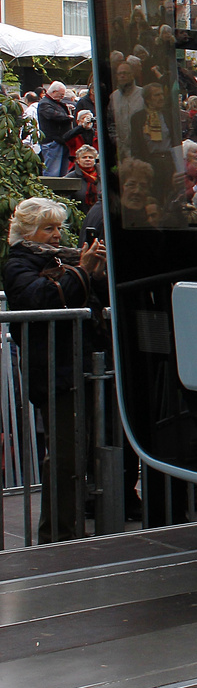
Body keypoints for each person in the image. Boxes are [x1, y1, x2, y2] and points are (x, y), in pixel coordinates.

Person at [2, 198, 108, 541]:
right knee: (65, 456)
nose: (55, 235)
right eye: (48, 228)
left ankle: (69, 529)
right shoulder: (18, 263)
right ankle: (58, 535)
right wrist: (83, 273)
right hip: (53, 369)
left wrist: (95, 273)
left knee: (82, 452)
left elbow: (88, 301)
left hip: (78, 363)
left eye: (58, 227)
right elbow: (41, 299)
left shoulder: (64, 258)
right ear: (27, 231)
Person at [35, 82, 74, 177]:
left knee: (63, 173)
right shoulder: (44, 103)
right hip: (52, 142)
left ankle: (60, 191)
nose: (62, 97)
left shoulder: (56, 103)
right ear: (54, 92)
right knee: (52, 173)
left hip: (61, 141)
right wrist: (67, 117)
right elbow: (51, 115)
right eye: (61, 94)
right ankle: (51, 191)